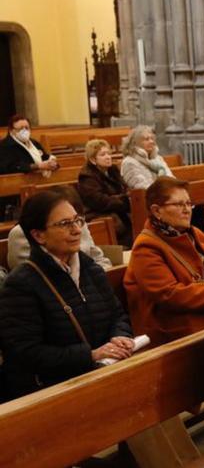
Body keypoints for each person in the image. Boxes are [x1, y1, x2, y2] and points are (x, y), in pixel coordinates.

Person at [0, 190, 133, 400]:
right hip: (56, 391)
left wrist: (120, 336)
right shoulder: (22, 284)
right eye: (64, 224)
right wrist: (90, 355)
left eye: (78, 221)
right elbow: (25, 353)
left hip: (105, 374)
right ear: (38, 235)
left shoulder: (91, 268)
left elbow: (117, 315)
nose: (76, 230)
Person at [124, 177, 204, 345]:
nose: (187, 210)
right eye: (179, 204)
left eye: (189, 204)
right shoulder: (146, 246)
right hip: (174, 326)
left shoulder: (193, 233)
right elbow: (170, 295)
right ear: (156, 211)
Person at [7, 186, 113, 271]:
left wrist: (98, 277)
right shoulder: (21, 234)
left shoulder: (78, 224)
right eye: (64, 223)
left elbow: (98, 258)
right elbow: (29, 274)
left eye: (76, 218)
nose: (77, 230)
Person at [77, 139, 132, 247]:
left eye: (108, 153)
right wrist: (125, 200)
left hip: (118, 209)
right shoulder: (87, 176)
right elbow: (100, 201)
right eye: (103, 155)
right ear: (93, 159)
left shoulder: (113, 170)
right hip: (100, 214)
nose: (108, 157)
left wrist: (126, 198)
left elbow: (125, 188)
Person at [119, 125, 174, 190]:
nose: (151, 141)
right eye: (146, 139)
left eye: (152, 138)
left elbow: (171, 179)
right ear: (135, 143)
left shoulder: (158, 158)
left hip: (164, 193)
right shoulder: (129, 162)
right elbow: (141, 187)